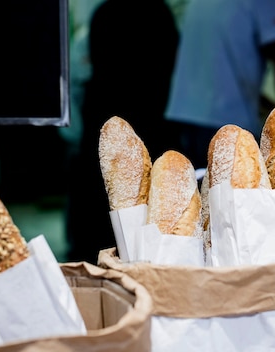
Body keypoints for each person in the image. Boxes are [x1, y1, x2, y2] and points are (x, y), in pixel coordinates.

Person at [65, 0, 180, 263]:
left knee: (99, 204)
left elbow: (95, 64)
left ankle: (95, 268)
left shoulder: (103, 14)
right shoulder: (158, 12)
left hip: (105, 117)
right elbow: (171, 65)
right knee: (148, 206)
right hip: (151, 118)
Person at [165, 0, 275, 170]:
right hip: (226, 120)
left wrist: (268, 106)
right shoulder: (263, 3)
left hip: (184, 113)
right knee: (232, 191)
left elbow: (219, 69)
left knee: (195, 186)